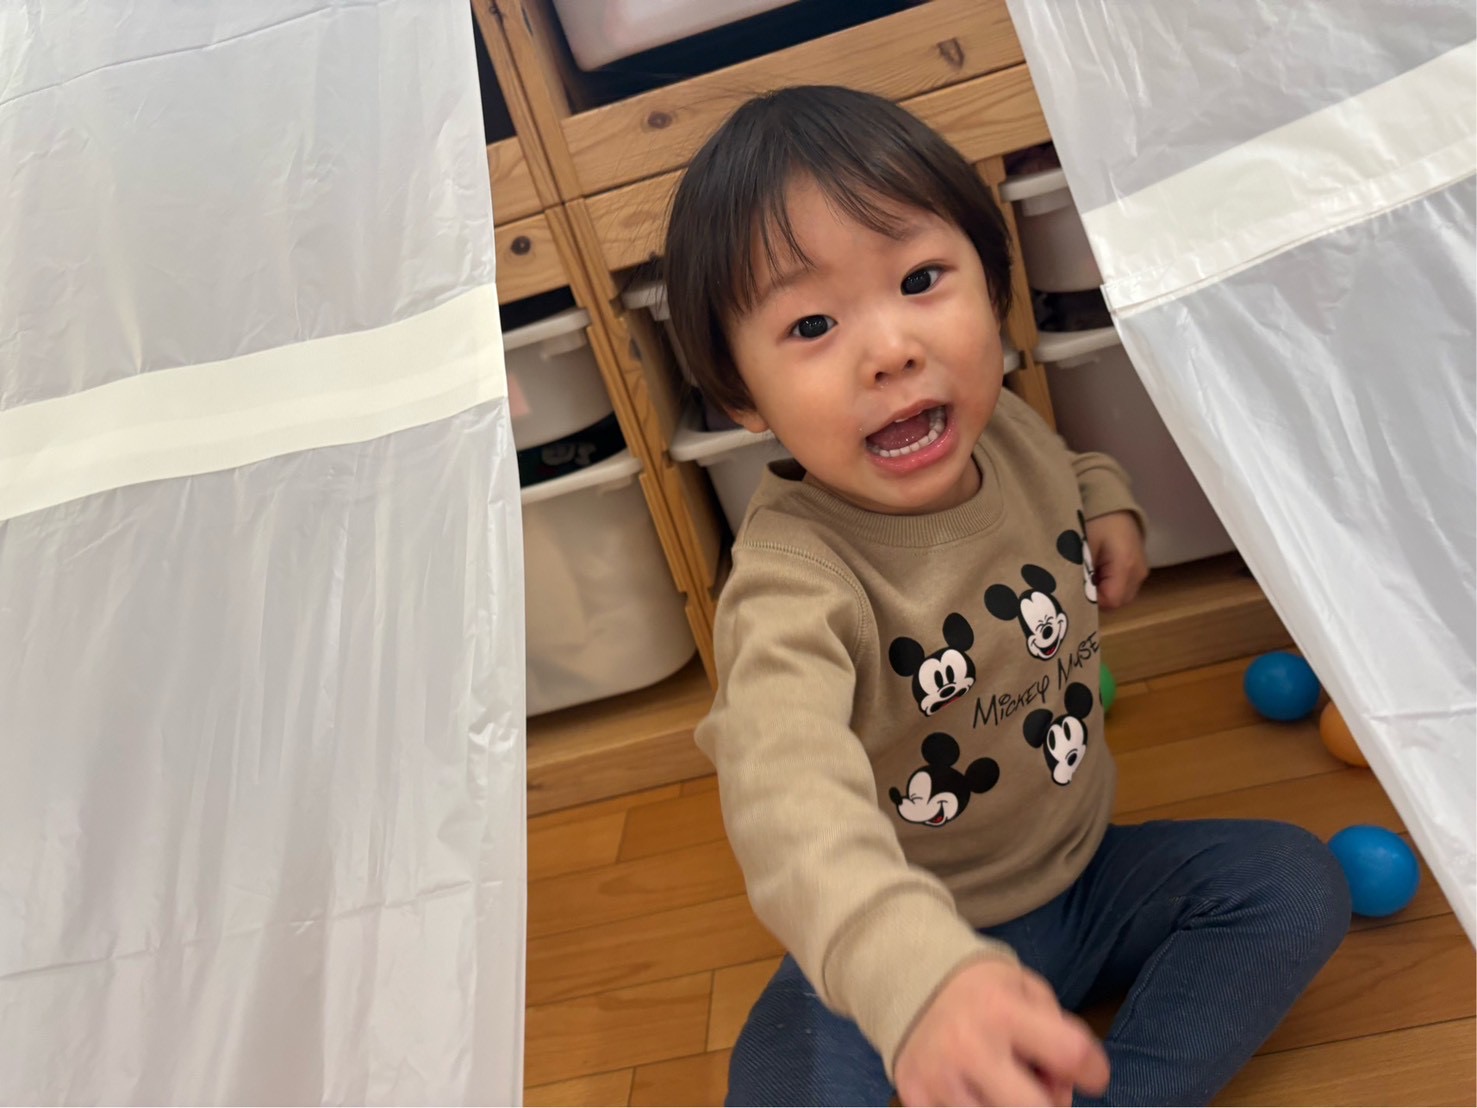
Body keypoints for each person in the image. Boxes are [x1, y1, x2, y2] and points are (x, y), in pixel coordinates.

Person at [663, 85, 1350, 1107]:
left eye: (920, 279)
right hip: (914, 938)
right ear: (739, 396)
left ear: (991, 286)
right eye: (811, 324)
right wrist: (915, 981)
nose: (890, 350)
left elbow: (1064, 466)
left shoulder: (1004, 430)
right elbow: (781, 790)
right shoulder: (790, 586)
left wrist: (1107, 505)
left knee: (1292, 886)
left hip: (1085, 881)